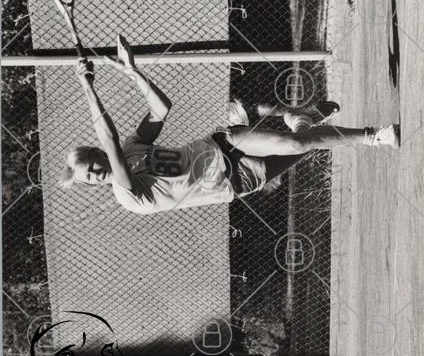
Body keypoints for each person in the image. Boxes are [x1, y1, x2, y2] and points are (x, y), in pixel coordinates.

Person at [60, 35, 400, 216]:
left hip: (223, 145)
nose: (95, 174)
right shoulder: (126, 194)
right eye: (88, 178)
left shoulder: (133, 147)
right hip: (236, 181)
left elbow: (161, 109)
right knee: (303, 142)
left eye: (92, 166)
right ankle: (302, 118)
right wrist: (88, 86)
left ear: (97, 154)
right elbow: (110, 138)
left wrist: (133, 72)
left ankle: (374, 136)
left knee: (298, 144)